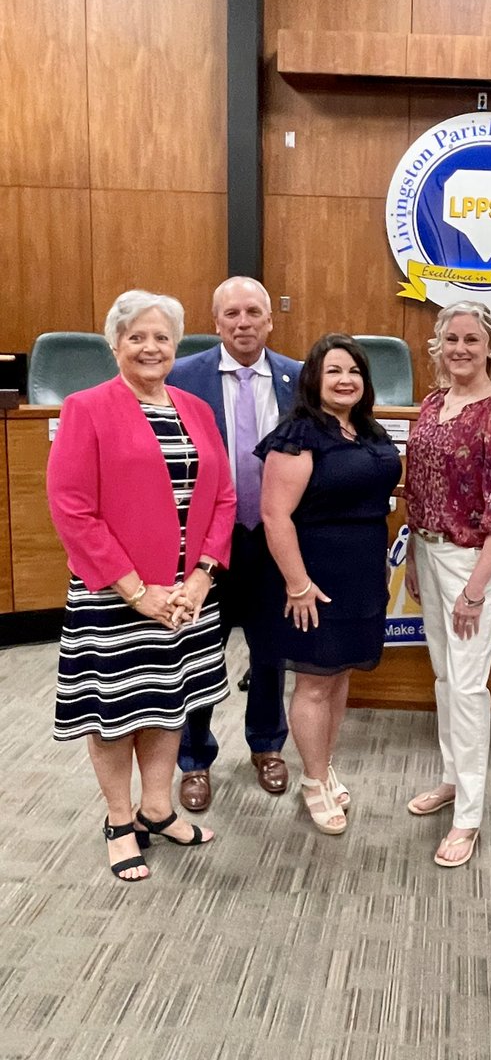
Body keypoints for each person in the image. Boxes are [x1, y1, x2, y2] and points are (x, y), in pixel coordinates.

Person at [47, 291, 235, 881]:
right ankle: (119, 819)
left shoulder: (195, 409)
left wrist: (202, 577)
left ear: (177, 347)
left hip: (185, 599)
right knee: (115, 712)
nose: (151, 348)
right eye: (137, 338)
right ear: (115, 344)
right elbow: (73, 510)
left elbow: (224, 498)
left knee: (168, 701)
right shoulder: (87, 407)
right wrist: (137, 591)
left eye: (162, 338)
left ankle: (158, 808)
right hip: (117, 594)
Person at [255, 334, 401, 834]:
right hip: (314, 576)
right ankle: (314, 781)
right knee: (315, 680)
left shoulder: (367, 431)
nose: (345, 380)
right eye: (333, 370)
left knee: (339, 677)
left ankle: (324, 765)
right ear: (313, 379)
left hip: (361, 571)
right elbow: (275, 516)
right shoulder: (299, 434)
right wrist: (297, 584)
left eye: (354, 371)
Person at [167, 277, 301, 811]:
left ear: (270, 320)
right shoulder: (182, 376)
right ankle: (194, 758)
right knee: (198, 652)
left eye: (253, 313)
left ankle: (267, 746)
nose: (242, 323)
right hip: (205, 543)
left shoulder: (299, 378)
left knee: (270, 651)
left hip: (272, 540)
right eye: (231, 315)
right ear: (216, 322)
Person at [404, 302, 491, 868]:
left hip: (471, 561)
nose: (460, 348)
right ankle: (453, 778)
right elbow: (419, 490)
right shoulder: (432, 405)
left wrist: (477, 588)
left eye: (471, 340)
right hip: (428, 554)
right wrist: (412, 557)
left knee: (470, 685)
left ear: (489, 348)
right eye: (451, 338)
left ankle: (469, 816)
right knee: (443, 675)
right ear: (438, 345)